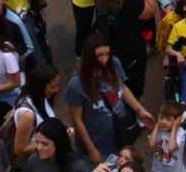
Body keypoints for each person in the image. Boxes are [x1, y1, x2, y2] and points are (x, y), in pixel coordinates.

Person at [65, 34, 156, 166]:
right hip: (96, 145)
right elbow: (76, 120)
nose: (104, 59)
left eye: (107, 54)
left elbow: (122, 88)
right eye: (99, 55)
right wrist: (92, 150)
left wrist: (141, 111)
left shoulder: (114, 63)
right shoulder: (76, 84)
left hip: (119, 137)